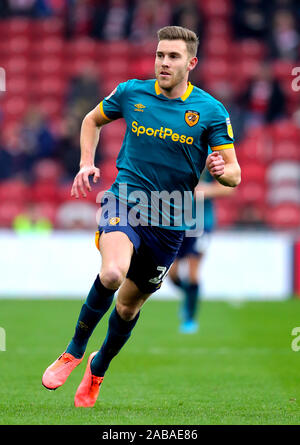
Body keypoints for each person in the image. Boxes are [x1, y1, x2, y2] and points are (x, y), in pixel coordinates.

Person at [42, 26, 241, 408]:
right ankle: (73, 350)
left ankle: (98, 369)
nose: (163, 63)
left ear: (191, 63)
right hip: (125, 202)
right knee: (112, 273)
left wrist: (220, 168)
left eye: (173, 57)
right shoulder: (131, 92)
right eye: (160, 55)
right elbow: (90, 120)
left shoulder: (211, 111)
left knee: (129, 307)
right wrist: (86, 163)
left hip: (170, 224)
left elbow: (234, 174)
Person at [168, 168, 235, 334]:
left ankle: (189, 319)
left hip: (202, 224)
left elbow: (229, 187)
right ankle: (191, 297)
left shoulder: (212, 161)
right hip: (176, 223)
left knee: (192, 272)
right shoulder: (177, 157)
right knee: (172, 275)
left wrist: (205, 190)